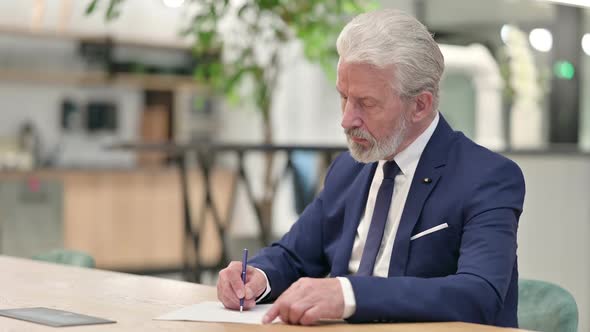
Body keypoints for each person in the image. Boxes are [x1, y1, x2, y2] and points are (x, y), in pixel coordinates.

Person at [216, 9, 525, 327]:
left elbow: (479, 295)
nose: (346, 120)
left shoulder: (488, 178)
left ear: (420, 105)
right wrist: (257, 277)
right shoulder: (349, 169)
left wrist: (348, 295)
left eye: (366, 103)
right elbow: (294, 255)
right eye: (344, 97)